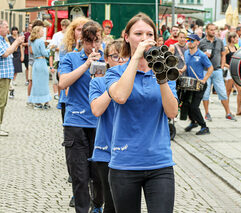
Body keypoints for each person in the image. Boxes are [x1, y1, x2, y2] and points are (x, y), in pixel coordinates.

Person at [105, 13, 178, 213]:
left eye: (149, 33)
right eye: (138, 33)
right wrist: (136, 57)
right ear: (127, 37)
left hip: (159, 163)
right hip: (125, 163)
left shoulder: (165, 70)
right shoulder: (115, 72)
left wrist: (161, 76)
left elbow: (172, 112)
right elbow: (120, 96)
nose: (144, 38)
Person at [59, 20, 104, 213]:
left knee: (100, 175)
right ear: (81, 39)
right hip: (75, 122)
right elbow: (63, 83)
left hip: (100, 123)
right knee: (79, 175)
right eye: (88, 41)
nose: (92, 46)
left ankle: (98, 205)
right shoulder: (70, 58)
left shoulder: (109, 59)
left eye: (96, 40)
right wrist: (87, 64)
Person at [89, 40, 126, 213]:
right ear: (106, 59)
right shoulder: (98, 83)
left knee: (125, 202)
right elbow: (96, 109)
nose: (120, 61)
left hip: (129, 150)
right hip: (106, 150)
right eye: (115, 56)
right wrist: (113, 87)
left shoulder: (134, 82)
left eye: (125, 57)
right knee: (111, 201)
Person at [199, 24, 237, 122]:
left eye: (214, 30)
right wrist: (203, 54)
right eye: (211, 30)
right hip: (205, 71)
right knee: (206, 93)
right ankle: (207, 113)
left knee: (223, 92)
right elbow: (197, 55)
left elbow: (223, 54)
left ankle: (228, 113)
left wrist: (222, 65)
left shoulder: (219, 41)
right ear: (206, 30)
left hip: (217, 70)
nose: (213, 32)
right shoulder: (201, 42)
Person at [179, 34, 213, 134]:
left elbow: (210, 68)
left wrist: (204, 79)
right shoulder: (186, 53)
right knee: (186, 103)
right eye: (188, 40)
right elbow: (187, 64)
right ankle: (193, 122)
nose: (189, 41)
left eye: (192, 40)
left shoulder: (202, 55)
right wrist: (182, 69)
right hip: (189, 84)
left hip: (199, 84)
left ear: (197, 42)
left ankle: (204, 127)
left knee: (194, 106)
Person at [0, 20, 24, 136]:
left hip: (5, 75)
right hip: (2, 76)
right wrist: (17, 42)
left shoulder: (3, 39)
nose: (8, 29)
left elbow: (11, 50)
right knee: (1, 102)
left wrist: (17, 43)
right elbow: (4, 53)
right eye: (6, 27)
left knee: (3, 102)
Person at [224, 32, 241, 117]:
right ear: (232, 38)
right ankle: (228, 111)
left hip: (234, 72)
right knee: (228, 91)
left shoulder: (235, 47)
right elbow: (222, 63)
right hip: (228, 72)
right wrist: (230, 66)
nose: (237, 39)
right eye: (236, 38)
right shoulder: (226, 49)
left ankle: (239, 110)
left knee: (240, 90)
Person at [28, 26, 51, 109]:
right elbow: (44, 53)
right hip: (42, 62)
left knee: (37, 83)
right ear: (38, 32)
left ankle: (37, 102)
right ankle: (46, 102)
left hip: (36, 62)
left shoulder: (32, 41)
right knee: (44, 83)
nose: (43, 32)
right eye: (42, 31)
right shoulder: (41, 41)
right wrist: (50, 49)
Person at [49, 19, 70, 100]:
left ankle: (65, 96)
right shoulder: (57, 35)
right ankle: (59, 96)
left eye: (67, 27)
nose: (65, 28)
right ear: (61, 27)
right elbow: (52, 47)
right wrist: (61, 49)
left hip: (67, 59)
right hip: (58, 59)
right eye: (64, 26)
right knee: (59, 80)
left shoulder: (69, 36)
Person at [7, 26, 24, 98]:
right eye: (13, 30)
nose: (15, 31)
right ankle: (11, 82)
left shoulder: (19, 38)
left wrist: (22, 55)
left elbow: (21, 47)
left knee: (17, 67)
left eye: (16, 30)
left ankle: (13, 79)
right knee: (12, 67)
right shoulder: (9, 38)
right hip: (11, 53)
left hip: (18, 54)